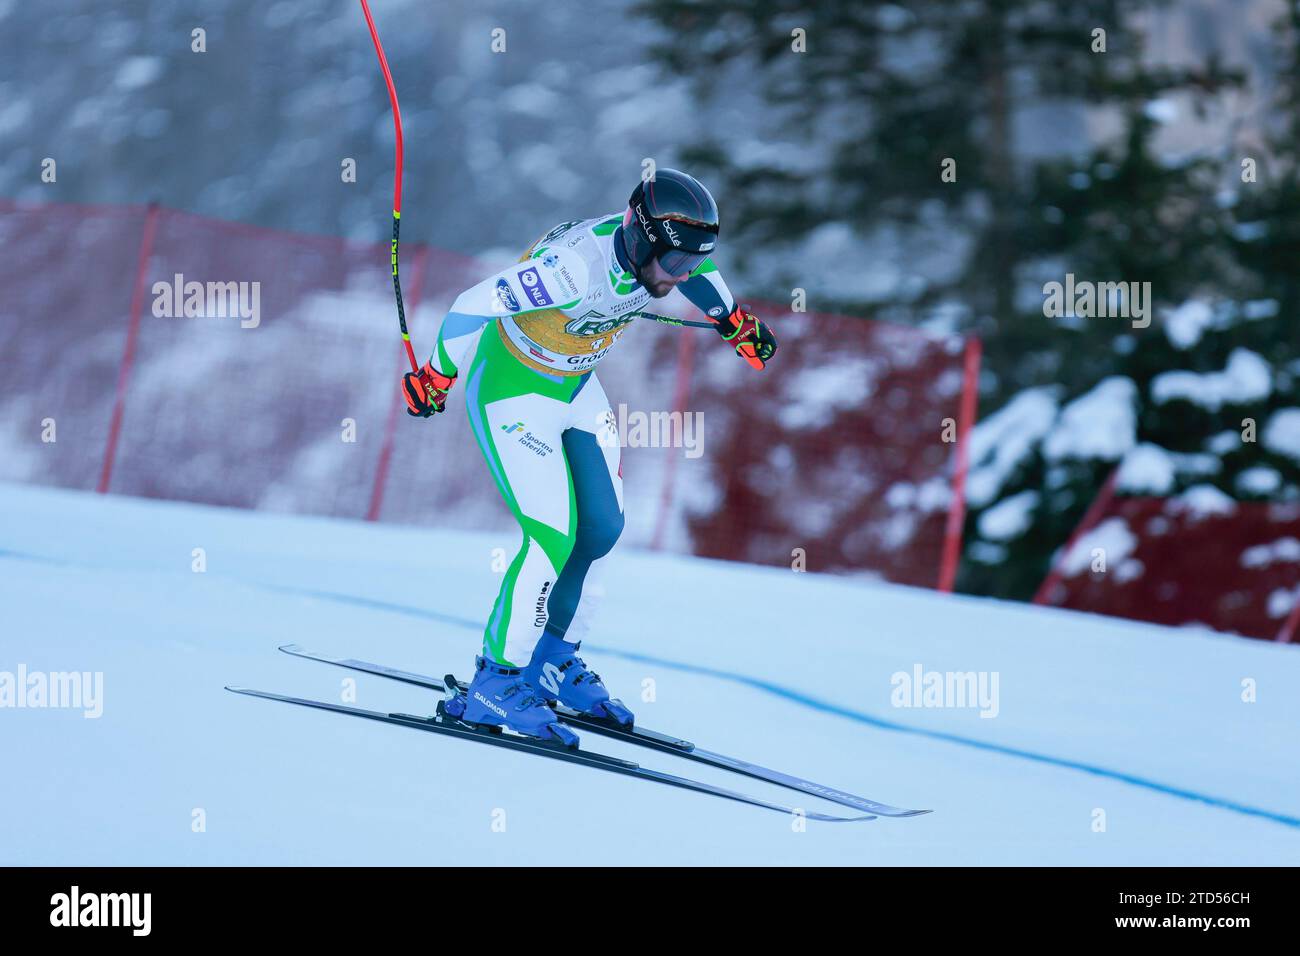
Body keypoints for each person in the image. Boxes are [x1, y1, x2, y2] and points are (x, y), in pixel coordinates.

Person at [402, 168, 778, 744]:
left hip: (576, 386)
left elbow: (698, 266)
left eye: (685, 266)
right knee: (550, 536)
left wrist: (732, 321)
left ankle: (550, 661)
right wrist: (437, 376)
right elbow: (471, 304)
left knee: (601, 527)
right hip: (515, 390)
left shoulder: (659, 255)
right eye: (671, 266)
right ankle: (493, 682)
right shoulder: (572, 270)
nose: (678, 279)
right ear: (642, 239)